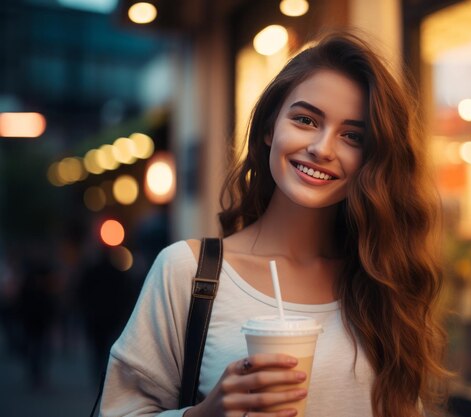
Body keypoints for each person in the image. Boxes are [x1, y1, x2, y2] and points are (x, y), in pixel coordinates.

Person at [100, 31, 448, 417]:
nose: (322, 148)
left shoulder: (381, 280)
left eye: (352, 136)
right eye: (305, 119)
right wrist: (204, 414)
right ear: (269, 128)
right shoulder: (188, 272)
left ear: (372, 159)